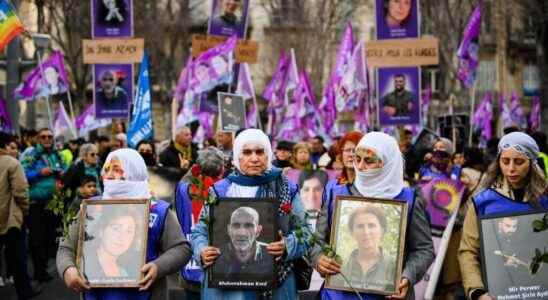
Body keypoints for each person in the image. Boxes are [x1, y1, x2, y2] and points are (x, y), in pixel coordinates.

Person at [313, 132, 434, 300]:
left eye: (369, 160)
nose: (361, 166)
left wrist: (407, 277)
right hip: (337, 295)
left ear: (387, 162)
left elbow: (424, 249)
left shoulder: (409, 199)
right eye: (357, 158)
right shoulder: (336, 193)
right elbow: (316, 240)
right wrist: (319, 259)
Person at [57, 148, 192, 299]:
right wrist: (68, 270)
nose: (109, 175)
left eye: (116, 169)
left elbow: (182, 248)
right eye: (106, 169)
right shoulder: (91, 208)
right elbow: (66, 248)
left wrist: (158, 267)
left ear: (134, 172)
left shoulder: (158, 211)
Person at [191, 128, 310, 299]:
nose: (254, 158)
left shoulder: (286, 188)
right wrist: (202, 250)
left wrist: (287, 246)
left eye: (259, 152)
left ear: (268, 154)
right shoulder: (220, 190)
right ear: (237, 156)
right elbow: (200, 230)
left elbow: (305, 232)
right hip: (226, 288)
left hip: (275, 286)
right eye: (247, 152)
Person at [458, 132, 548, 300]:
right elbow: (468, 251)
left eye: (519, 162)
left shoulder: (545, 200)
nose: (511, 168)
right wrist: (477, 291)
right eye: (505, 161)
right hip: (496, 291)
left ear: (532, 163)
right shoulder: (482, 203)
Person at [175, 147, 225, 300]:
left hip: (190, 266)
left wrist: (194, 169)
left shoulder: (183, 189)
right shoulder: (225, 189)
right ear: (221, 170)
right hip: (219, 267)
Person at [21, 127, 67, 283]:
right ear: (38, 139)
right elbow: (23, 174)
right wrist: (40, 173)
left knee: (50, 237)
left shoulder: (56, 154)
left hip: (53, 201)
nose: (47, 139)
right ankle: (39, 272)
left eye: (50, 136)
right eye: (43, 137)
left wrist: (61, 174)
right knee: (37, 239)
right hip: (36, 203)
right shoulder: (31, 154)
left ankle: (44, 269)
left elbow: (65, 169)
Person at [0, 132, 39, 299]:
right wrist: (24, 211)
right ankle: (24, 292)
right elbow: (21, 192)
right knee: (18, 259)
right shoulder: (11, 163)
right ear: (5, 145)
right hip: (11, 220)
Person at [331, 205, 396, 291]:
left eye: (371, 225)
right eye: (360, 226)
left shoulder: (393, 265)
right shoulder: (341, 267)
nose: (366, 232)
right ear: (352, 232)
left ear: (382, 230)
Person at [83, 207, 143, 280]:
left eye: (129, 231)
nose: (122, 237)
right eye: (116, 228)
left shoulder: (124, 273)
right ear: (101, 231)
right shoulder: (84, 264)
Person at [214, 206, 273, 277]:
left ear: (258, 231)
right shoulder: (216, 256)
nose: (242, 233)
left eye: (248, 226)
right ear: (229, 230)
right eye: (236, 225)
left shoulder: (271, 255)